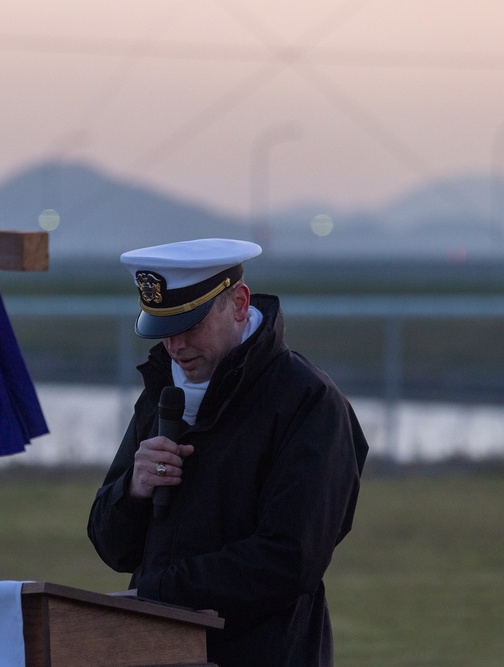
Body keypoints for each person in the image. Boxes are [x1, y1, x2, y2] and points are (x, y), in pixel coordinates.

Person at [87, 238, 368, 666]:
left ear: (238, 303)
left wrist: (154, 594)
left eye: (190, 324)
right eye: (163, 329)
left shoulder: (309, 401)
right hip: (156, 651)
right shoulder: (164, 393)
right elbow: (113, 548)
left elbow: (289, 560)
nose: (175, 346)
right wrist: (132, 491)